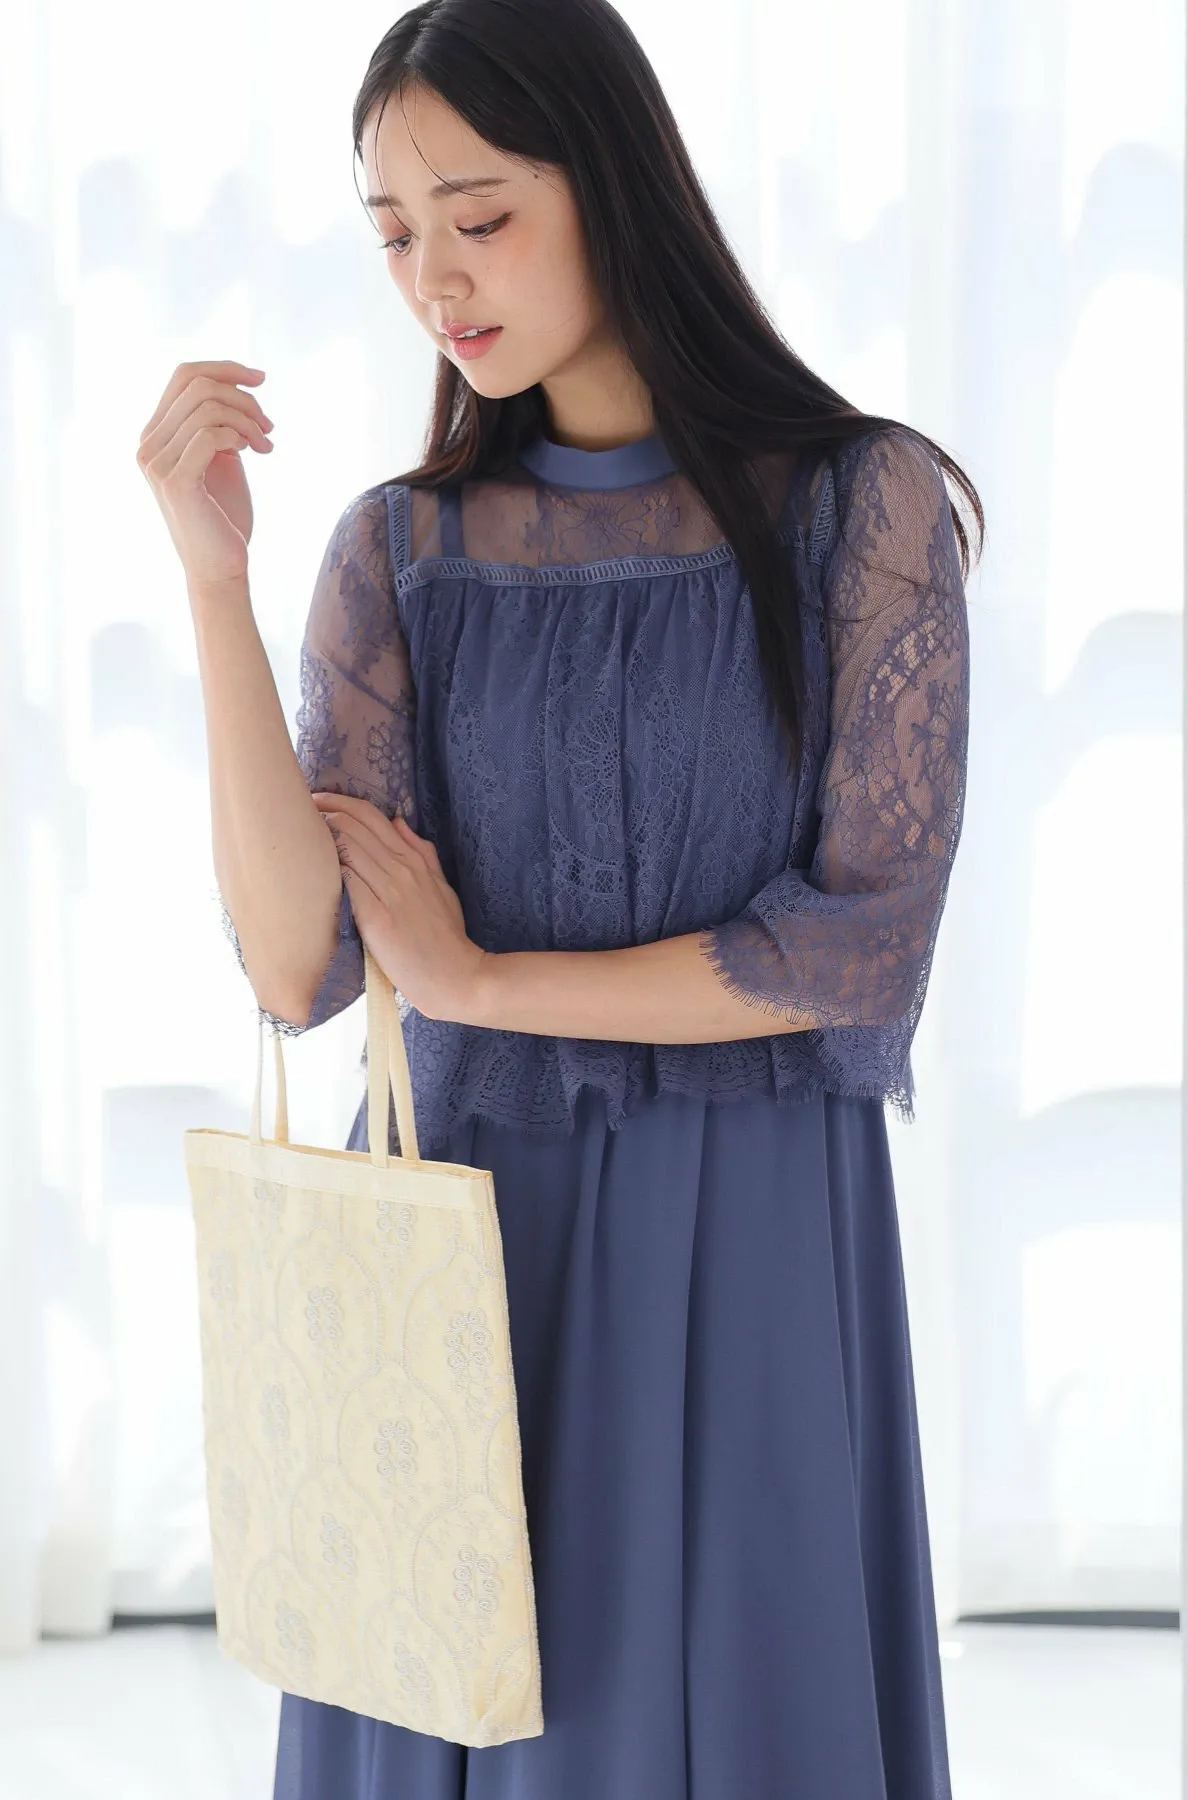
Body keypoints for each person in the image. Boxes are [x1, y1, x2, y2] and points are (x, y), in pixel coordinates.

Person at [137, 1, 981, 1794]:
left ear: (614, 182)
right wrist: (215, 583)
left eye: (479, 213)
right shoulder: (403, 550)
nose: (435, 277)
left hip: (759, 1232)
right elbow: (296, 967)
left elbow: (864, 947)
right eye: (393, 234)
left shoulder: (865, 506)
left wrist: (484, 983)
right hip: (467, 1249)